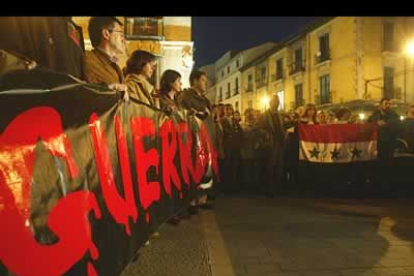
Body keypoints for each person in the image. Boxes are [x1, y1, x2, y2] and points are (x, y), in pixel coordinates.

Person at [177, 69, 214, 212]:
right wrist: (198, 115)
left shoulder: (205, 99)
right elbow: (181, 115)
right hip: (192, 138)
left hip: (206, 138)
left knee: (206, 169)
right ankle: (190, 201)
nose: (206, 83)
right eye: (204, 80)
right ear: (195, 81)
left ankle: (202, 199)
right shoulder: (185, 96)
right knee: (192, 168)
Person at [83, 17, 128, 101]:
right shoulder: (87, 58)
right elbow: (84, 92)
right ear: (106, 34)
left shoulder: (115, 67)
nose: (123, 39)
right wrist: (107, 88)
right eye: (120, 34)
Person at [368, 98, 400, 192]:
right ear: (380, 105)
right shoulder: (375, 114)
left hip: (389, 143)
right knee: (378, 164)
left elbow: (397, 123)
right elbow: (368, 122)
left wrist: (386, 124)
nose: (388, 105)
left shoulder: (393, 114)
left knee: (389, 164)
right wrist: (376, 122)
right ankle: (378, 186)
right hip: (378, 144)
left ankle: (388, 186)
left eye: (389, 104)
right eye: (386, 103)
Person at [262, 95, 286, 197]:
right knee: (270, 167)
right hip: (271, 143)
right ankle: (269, 189)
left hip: (280, 143)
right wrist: (266, 135)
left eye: (277, 101)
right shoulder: (265, 115)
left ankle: (277, 188)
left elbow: (282, 127)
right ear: (270, 103)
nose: (276, 103)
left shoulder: (280, 115)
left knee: (279, 167)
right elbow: (260, 128)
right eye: (274, 101)